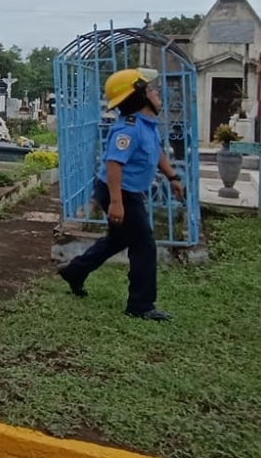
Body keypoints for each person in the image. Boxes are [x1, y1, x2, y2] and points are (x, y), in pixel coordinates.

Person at [57, 68, 184, 321]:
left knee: (118, 239)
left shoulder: (148, 124)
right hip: (119, 192)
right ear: (139, 98)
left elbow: (156, 151)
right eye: (149, 89)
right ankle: (141, 305)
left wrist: (172, 177)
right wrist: (116, 203)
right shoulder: (128, 129)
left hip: (127, 191)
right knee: (144, 245)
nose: (156, 92)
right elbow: (114, 164)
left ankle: (75, 271)